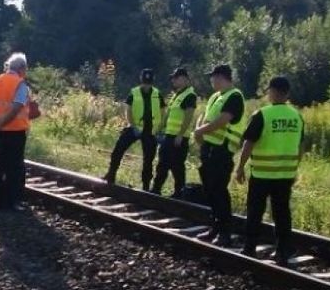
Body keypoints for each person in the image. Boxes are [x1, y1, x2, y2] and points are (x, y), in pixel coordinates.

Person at [235, 76, 306, 264]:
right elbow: (300, 146)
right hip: (285, 174)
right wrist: (294, 168)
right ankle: (283, 251)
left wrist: (240, 167)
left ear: (272, 92)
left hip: (262, 174)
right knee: (282, 213)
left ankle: (249, 248)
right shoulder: (297, 116)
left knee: (255, 211)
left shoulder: (262, 115)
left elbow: (249, 143)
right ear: (288, 93)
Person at [193, 64, 248, 246]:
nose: (211, 80)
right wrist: (199, 133)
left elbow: (223, 120)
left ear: (221, 77)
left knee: (218, 191)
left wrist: (200, 131)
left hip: (222, 150)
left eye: (213, 77)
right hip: (209, 149)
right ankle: (215, 226)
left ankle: (225, 232)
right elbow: (206, 118)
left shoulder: (234, 96)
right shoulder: (216, 97)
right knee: (209, 190)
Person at [0, 52, 32, 211]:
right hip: (15, 132)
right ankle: (14, 201)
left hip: (0, 133)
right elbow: (16, 108)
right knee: (16, 167)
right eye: (26, 68)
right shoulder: (20, 84)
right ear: (21, 68)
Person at [103, 69, 162, 191]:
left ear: (152, 82)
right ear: (142, 81)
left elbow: (163, 111)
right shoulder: (134, 93)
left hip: (150, 130)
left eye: (149, 83)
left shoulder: (157, 94)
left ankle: (146, 186)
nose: (147, 85)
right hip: (135, 127)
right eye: (145, 82)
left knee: (148, 159)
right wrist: (132, 125)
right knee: (118, 149)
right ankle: (111, 174)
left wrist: (159, 128)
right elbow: (128, 110)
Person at [151, 67, 198, 197]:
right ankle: (156, 189)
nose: (173, 81)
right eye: (173, 78)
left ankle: (179, 192)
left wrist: (180, 135)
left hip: (179, 138)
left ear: (184, 79)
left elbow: (189, 116)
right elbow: (168, 115)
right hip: (169, 136)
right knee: (163, 163)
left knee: (177, 166)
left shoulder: (190, 95)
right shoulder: (177, 95)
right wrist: (159, 128)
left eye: (176, 78)